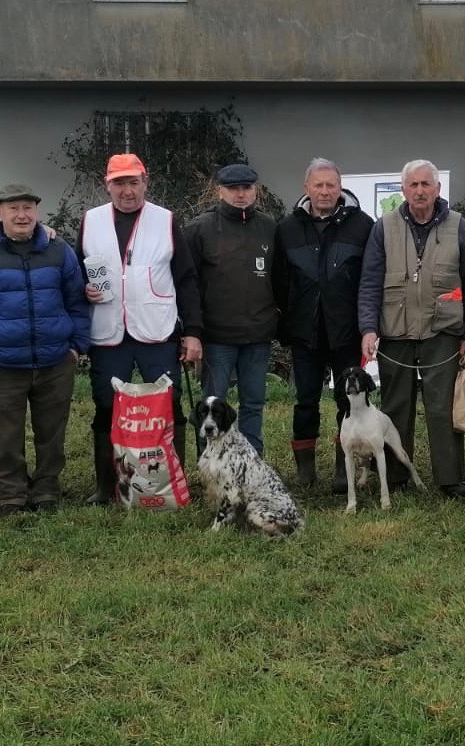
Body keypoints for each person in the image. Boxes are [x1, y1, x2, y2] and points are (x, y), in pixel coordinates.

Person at [79, 154, 204, 505]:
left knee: (169, 404)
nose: (127, 190)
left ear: (146, 182)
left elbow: (187, 280)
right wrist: (81, 290)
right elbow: (73, 273)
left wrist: (192, 331)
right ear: (107, 185)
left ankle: (171, 482)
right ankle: (107, 488)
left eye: (133, 182)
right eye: (119, 183)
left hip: (157, 331)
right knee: (106, 406)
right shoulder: (91, 221)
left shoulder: (165, 220)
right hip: (108, 332)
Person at [0, 184, 90, 515]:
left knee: (52, 433)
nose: (22, 215)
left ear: (36, 212)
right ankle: (11, 493)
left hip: (54, 360)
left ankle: (47, 489)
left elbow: (76, 300)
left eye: (28, 208)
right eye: (13, 208)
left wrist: (76, 347)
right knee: (6, 436)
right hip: (1, 362)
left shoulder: (59, 250)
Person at [357, 159, 465, 498]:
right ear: (403, 190)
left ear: (438, 189)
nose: (420, 191)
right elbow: (369, 282)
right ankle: (396, 477)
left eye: (426, 184)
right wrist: (369, 329)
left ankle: (450, 479)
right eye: (413, 185)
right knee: (396, 407)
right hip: (395, 330)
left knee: (443, 408)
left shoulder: (459, 226)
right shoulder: (384, 227)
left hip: (443, 331)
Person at [272, 158, 374, 491]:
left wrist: (368, 325)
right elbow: (279, 282)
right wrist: (284, 324)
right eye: (319, 185)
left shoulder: (362, 225)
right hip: (305, 332)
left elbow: (370, 279)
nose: (326, 191)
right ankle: (305, 471)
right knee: (305, 401)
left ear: (340, 187)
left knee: (348, 401)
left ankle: (344, 469)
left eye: (331, 185)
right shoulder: (287, 228)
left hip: (347, 331)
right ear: (307, 189)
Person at [185, 163, 279, 454]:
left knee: (253, 404)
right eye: (233, 188)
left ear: (256, 190)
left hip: (257, 335)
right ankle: (210, 463)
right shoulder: (199, 228)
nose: (241, 194)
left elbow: (280, 277)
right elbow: (188, 284)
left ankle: (252, 461)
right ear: (220, 191)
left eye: (246, 188)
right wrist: (192, 332)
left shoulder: (269, 227)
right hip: (217, 337)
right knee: (212, 404)